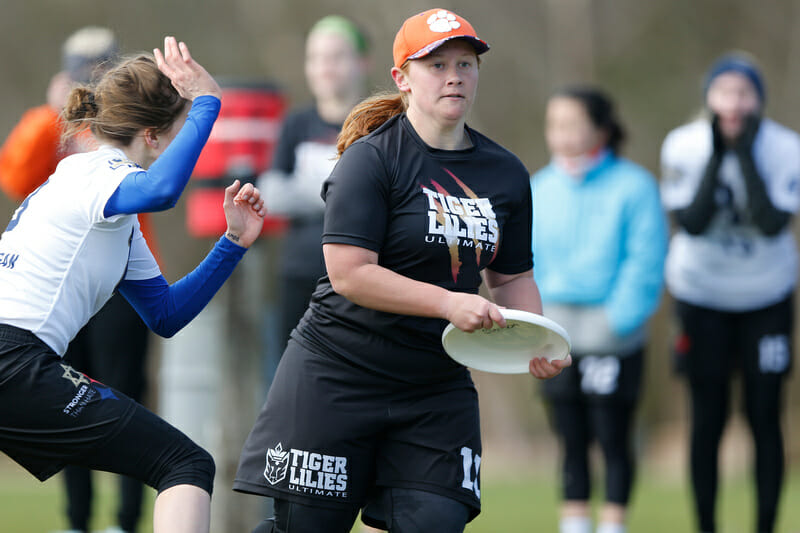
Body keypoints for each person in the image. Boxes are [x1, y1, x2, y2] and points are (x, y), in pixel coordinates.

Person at [234, 8, 571, 533]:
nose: (455, 75)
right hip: (337, 374)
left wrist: (535, 338)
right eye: (436, 65)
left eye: (466, 63)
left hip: (433, 387)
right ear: (402, 79)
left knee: (435, 523)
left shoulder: (505, 173)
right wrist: (448, 303)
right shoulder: (370, 161)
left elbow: (511, 277)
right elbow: (349, 273)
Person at [0, 37, 267, 533]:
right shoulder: (98, 173)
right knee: (185, 465)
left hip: (16, 363)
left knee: (179, 462)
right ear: (155, 136)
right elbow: (163, 189)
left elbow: (164, 314)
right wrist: (207, 101)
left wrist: (232, 242)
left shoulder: (100, 201)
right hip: (14, 361)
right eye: (182, 130)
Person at [0, 26, 155, 533]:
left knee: (123, 395)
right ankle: (77, 521)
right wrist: (49, 114)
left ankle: (127, 522)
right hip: (61, 290)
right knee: (69, 406)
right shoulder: (53, 128)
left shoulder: (124, 131)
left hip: (117, 287)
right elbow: (15, 176)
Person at [660, 52, 800, 533]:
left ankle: (766, 525)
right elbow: (691, 223)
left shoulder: (786, 147)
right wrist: (719, 154)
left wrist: (744, 152)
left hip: (767, 296)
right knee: (707, 418)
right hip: (701, 297)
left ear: (759, 99)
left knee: (764, 415)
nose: (734, 103)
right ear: (709, 98)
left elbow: (771, 222)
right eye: (725, 92)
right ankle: (706, 525)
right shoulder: (683, 145)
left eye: (744, 93)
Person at [531, 87, 667, 533]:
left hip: (614, 333)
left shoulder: (635, 186)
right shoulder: (538, 188)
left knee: (613, 437)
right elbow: (523, 263)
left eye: (572, 124)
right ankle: (574, 523)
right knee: (569, 439)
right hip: (556, 333)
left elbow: (645, 261)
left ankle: (613, 524)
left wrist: (616, 321)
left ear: (601, 129)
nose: (562, 134)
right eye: (555, 125)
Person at [257, 15, 370, 354]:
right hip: (299, 274)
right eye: (316, 58)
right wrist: (347, 190)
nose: (325, 67)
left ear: (362, 62)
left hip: (365, 277)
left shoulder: (381, 125)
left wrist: (309, 187)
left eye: (336, 56)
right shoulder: (296, 124)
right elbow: (273, 193)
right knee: (293, 377)